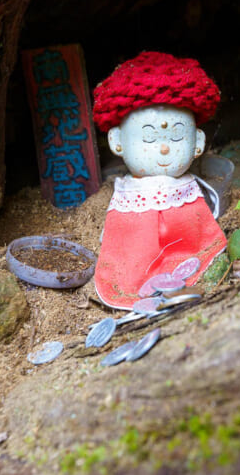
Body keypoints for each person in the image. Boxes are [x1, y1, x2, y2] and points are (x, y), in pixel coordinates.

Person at [91, 51, 227, 309]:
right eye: (149, 138)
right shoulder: (130, 193)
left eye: (177, 137)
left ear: (197, 142)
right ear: (117, 142)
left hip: (191, 247)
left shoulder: (185, 188)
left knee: (204, 252)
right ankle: (136, 290)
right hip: (136, 254)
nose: (164, 149)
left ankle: (194, 274)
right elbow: (120, 229)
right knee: (128, 265)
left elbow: (198, 221)